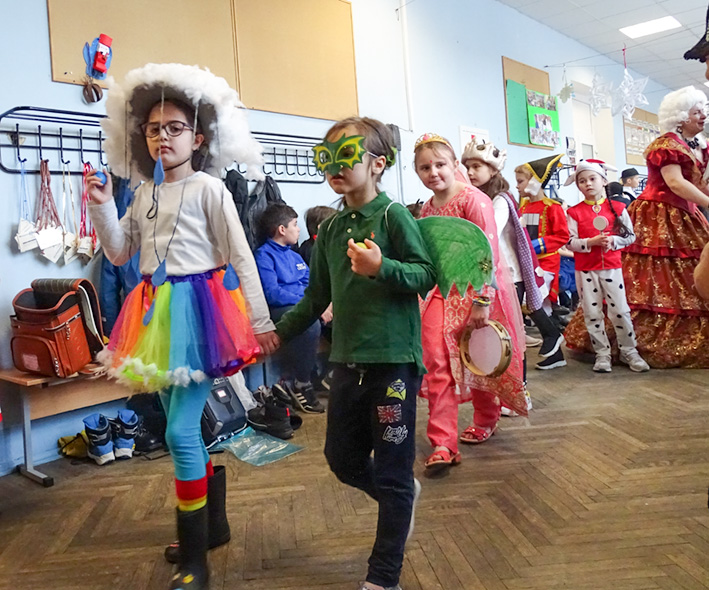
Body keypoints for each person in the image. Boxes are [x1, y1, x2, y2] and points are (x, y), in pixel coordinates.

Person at [86, 63, 278, 590]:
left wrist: (261, 321)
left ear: (197, 138)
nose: (163, 137)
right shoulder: (142, 193)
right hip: (154, 316)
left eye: (174, 128)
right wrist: (102, 208)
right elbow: (119, 252)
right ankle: (211, 525)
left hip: (200, 315)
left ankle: (195, 558)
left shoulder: (210, 189)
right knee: (183, 428)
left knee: (177, 432)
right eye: (153, 129)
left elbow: (240, 256)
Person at [275, 117, 436, 590]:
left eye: (345, 157)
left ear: (377, 164)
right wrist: (275, 336)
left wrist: (382, 266)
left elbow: (425, 274)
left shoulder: (393, 216)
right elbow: (315, 298)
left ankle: (383, 577)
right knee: (342, 460)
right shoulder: (329, 229)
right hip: (346, 364)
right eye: (325, 159)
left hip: (394, 366)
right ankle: (401, 497)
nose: (334, 168)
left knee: (391, 471)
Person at [566, 87, 709, 368]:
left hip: (688, 214)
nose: (703, 116)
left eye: (704, 110)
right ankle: (627, 345)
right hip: (658, 213)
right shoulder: (666, 145)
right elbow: (675, 183)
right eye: (696, 112)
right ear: (681, 117)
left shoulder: (700, 145)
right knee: (648, 275)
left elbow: (699, 183)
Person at [413, 133, 526, 472]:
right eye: (425, 167)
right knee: (436, 361)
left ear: (453, 165)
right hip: (440, 292)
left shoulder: (475, 201)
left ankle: (486, 416)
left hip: (475, 291)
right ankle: (443, 443)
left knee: (478, 356)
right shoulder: (427, 208)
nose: (433, 172)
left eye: (440, 164)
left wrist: (482, 300)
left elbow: (486, 252)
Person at [462, 138, 565, 376]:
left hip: (509, 273)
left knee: (511, 332)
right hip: (492, 270)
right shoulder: (483, 197)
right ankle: (551, 341)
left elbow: (488, 233)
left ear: (492, 170)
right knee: (510, 325)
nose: (470, 172)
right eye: (467, 167)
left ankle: (521, 383)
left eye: (476, 167)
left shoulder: (500, 200)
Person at [565, 160, 649, 373]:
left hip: (612, 268)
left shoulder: (618, 208)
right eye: (582, 181)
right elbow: (569, 242)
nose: (588, 184)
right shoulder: (574, 212)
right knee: (592, 312)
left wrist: (613, 240)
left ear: (603, 181)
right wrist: (590, 243)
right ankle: (602, 353)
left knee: (620, 311)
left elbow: (630, 236)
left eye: (592, 179)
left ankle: (629, 350)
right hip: (585, 269)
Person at [254, 202, 325, 413]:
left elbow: (311, 284)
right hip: (279, 309)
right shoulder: (263, 256)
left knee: (346, 313)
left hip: (302, 304)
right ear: (282, 229)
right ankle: (302, 383)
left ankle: (337, 374)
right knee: (310, 324)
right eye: (295, 224)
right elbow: (273, 294)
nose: (299, 229)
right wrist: (309, 303)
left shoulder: (295, 256)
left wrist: (323, 304)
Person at [515, 155, 571, 323]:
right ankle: (551, 331)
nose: (517, 186)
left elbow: (562, 236)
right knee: (538, 305)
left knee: (533, 300)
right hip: (527, 261)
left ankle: (551, 331)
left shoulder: (552, 207)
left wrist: (536, 245)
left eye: (520, 181)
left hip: (546, 262)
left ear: (534, 181)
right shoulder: (523, 207)